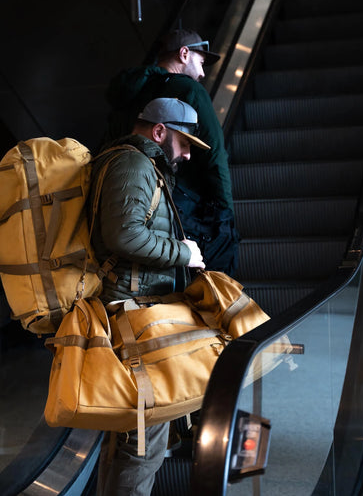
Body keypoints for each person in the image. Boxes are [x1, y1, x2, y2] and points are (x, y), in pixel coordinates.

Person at [90, 97, 207, 496]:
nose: (188, 153)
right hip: (131, 315)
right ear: (159, 131)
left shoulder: (138, 163)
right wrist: (184, 252)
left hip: (136, 312)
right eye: (185, 142)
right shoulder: (132, 164)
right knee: (144, 443)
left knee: (132, 440)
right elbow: (123, 235)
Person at [103, 28, 239, 275]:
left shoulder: (130, 96)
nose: (202, 72)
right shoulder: (189, 90)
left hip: (130, 202)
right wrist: (226, 214)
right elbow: (214, 155)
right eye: (200, 61)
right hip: (183, 211)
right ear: (184, 54)